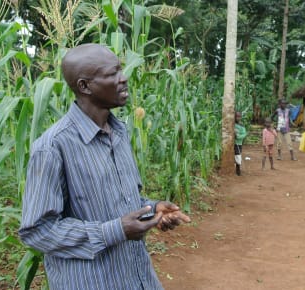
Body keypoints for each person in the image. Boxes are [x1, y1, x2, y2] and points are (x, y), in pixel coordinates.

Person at [19, 43, 191, 290]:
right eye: (112, 74)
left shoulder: (118, 133)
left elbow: (120, 201)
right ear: (84, 86)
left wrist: (153, 209)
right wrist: (116, 230)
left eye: (120, 70)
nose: (124, 79)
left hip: (137, 278)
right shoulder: (53, 147)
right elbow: (37, 230)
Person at [234, 111, 247, 176]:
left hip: (238, 144)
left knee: (238, 156)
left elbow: (244, 134)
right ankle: (235, 170)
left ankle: (238, 170)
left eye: (239, 116)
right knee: (234, 156)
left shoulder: (242, 125)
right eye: (236, 116)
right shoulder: (232, 124)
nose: (237, 118)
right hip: (232, 144)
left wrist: (238, 136)